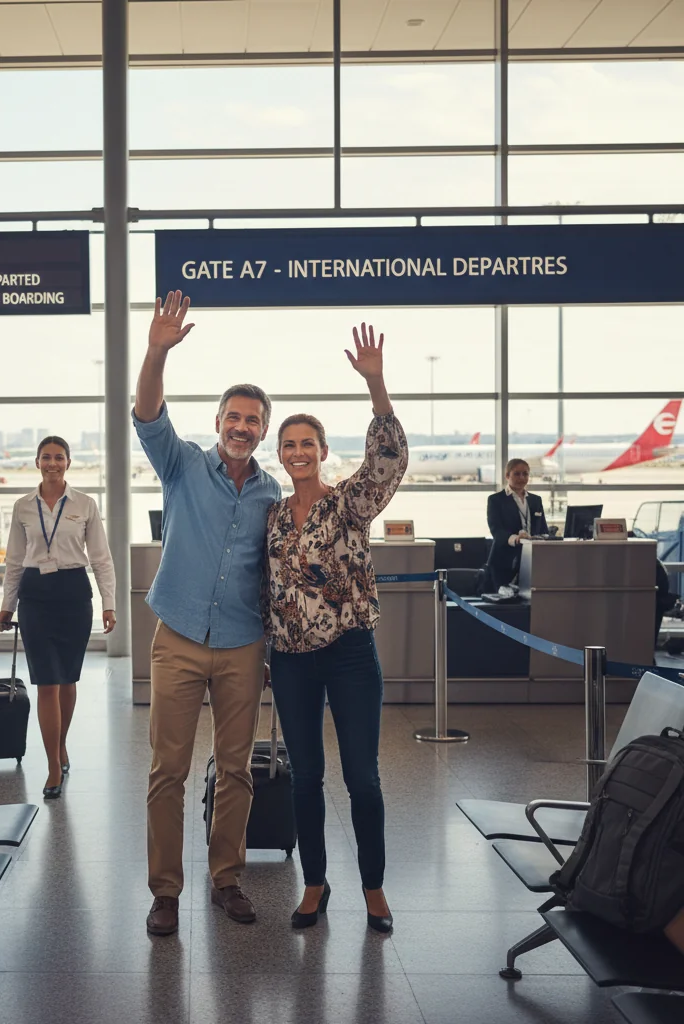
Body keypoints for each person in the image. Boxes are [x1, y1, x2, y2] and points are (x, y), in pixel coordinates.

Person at [133, 290, 282, 937]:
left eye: (253, 421)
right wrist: (156, 351)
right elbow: (146, 413)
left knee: (236, 769)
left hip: (243, 644)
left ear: (262, 430)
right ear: (219, 420)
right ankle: (165, 890)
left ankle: (226, 878)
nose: (242, 428)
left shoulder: (272, 492)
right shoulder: (184, 466)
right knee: (168, 769)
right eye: (234, 417)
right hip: (179, 636)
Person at [266, 322, 407, 932]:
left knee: (362, 778)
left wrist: (376, 384)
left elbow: (387, 463)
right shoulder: (271, 516)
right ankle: (315, 884)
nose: (299, 451)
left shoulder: (349, 502)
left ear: (323, 451)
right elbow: (263, 586)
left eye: (308, 443)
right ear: (281, 454)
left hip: (350, 654)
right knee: (305, 777)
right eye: (289, 444)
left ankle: (373, 887)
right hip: (292, 660)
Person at [0, 435, 116, 800]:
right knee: (46, 682)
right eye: (46, 457)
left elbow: (101, 558)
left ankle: (60, 745)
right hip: (35, 596)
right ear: (37, 462)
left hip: (73, 595)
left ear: (68, 462)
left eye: (59, 457)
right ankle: (52, 766)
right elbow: (14, 560)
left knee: (67, 680)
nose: (52, 463)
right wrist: (7, 604)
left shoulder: (84, 504)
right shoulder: (23, 506)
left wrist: (109, 603)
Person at [485, 458, 548, 591]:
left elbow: (542, 528)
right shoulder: (496, 500)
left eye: (525, 474)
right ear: (507, 476)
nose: (521, 478)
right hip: (504, 561)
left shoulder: (536, 500)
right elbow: (496, 530)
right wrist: (515, 539)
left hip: (532, 560)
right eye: (517, 474)